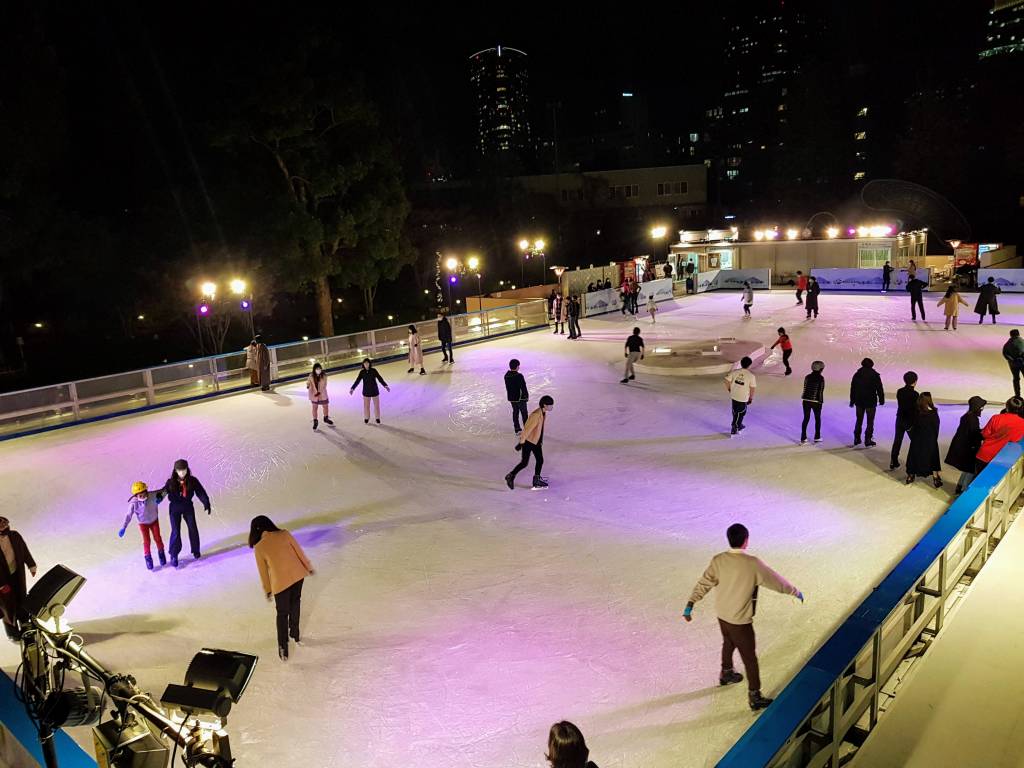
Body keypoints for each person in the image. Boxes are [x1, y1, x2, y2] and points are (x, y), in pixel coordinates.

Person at [684, 523, 803, 712]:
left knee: (728, 641)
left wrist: (691, 603)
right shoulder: (752, 563)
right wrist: (794, 591)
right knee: (749, 658)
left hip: (723, 615)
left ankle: (726, 672)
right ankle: (755, 695)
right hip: (740, 620)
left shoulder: (718, 560)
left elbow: (705, 582)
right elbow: (775, 580)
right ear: (746, 541)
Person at [249, 515, 314, 662]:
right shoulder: (284, 534)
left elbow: (263, 571)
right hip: (298, 575)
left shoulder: (259, 547)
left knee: (282, 614)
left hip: (281, 583)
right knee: (296, 603)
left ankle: (283, 647)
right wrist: (308, 567)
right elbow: (299, 552)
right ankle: (295, 634)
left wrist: (267, 589)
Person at [163, 459, 211, 569]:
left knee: (192, 528)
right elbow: (164, 491)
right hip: (175, 508)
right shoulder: (171, 482)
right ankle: (174, 554)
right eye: (179, 470)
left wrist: (206, 501)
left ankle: (195, 550)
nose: (182, 472)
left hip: (188, 506)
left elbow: (200, 491)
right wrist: (159, 496)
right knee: (175, 530)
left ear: (187, 469)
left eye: (184, 470)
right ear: (175, 471)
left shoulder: (192, 481)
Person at [505, 395, 554, 490]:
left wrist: (540, 440)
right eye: (550, 405)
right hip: (528, 442)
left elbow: (539, 429)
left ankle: (536, 480)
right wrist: (521, 442)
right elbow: (527, 429)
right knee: (524, 463)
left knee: (540, 460)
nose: (552, 407)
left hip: (536, 442)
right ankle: (510, 476)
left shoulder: (543, 413)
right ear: (545, 405)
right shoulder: (536, 415)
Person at [0, 517, 37, 641]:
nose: (3, 527)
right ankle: (12, 632)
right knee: (6, 605)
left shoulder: (15, 536)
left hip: (17, 573)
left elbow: (24, 550)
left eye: (4, 524)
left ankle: (25, 624)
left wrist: (31, 564)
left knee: (21, 597)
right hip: (2, 579)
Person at [119, 481, 166, 570]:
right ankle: (148, 558)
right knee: (146, 541)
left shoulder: (152, 495)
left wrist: (162, 496)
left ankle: (161, 553)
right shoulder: (134, 503)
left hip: (154, 521)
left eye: (144, 494)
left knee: (157, 538)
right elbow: (128, 515)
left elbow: (164, 491)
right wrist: (124, 527)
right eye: (140, 496)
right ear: (136, 496)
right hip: (143, 524)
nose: (143, 497)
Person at [945, 396, 987, 493]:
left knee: (967, 468)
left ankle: (959, 487)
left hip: (964, 446)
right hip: (969, 448)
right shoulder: (973, 419)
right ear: (977, 407)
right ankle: (964, 490)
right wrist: (984, 434)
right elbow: (974, 434)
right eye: (981, 407)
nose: (982, 409)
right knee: (970, 470)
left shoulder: (967, 416)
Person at [975, 397, 1024, 476]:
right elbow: (1015, 439)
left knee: (977, 480)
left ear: (1007, 407)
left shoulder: (996, 418)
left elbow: (985, 434)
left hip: (985, 455)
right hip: (1002, 458)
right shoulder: (1022, 423)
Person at [905, 392, 942, 487]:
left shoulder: (917, 412)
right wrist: (934, 438)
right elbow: (936, 427)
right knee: (933, 457)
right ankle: (935, 477)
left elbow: (912, 425)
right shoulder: (933, 413)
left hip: (917, 439)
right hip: (930, 439)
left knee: (914, 456)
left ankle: (911, 475)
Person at [849, 358, 885, 447]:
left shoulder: (857, 374)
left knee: (859, 420)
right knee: (870, 421)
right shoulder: (875, 375)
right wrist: (881, 399)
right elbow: (879, 388)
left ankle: (857, 438)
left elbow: (853, 388)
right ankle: (868, 439)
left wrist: (852, 400)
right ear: (872, 365)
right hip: (870, 401)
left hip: (859, 400)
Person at [890, 371, 920, 470]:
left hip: (899, 419)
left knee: (897, 440)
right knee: (916, 441)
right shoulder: (915, 394)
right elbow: (915, 409)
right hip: (909, 421)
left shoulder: (900, 391)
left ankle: (893, 460)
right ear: (915, 381)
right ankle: (916, 462)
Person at [350, 358, 390, 424]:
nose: (366, 364)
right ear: (363, 364)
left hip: (374, 391)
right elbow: (357, 381)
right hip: (366, 391)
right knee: (366, 406)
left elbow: (380, 378)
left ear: (369, 363)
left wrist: (385, 385)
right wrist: (352, 388)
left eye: (367, 363)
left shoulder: (374, 370)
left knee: (376, 406)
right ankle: (366, 418)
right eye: (365, 363)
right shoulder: (362, 372)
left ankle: (377, 418)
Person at [725, 356, 756, 436]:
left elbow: (726, 380)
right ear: (749, 365)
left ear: (741, 364)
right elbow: (752, 388)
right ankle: (735, 426)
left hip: (734, 395)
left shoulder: (735, 372)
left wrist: (729, 389)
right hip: (743, 398)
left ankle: (738, 424)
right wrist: (751, 398)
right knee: (741, 412)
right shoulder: (751, 376)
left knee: (735, 411)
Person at [800, 361, 825, 444]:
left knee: (806, 418)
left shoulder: (807, 377)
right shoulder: (821, 378)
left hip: (806, 400)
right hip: (816, 401)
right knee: (817, 419)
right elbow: (820, 391)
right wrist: (820, 401)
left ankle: (803, 437)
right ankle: (817, 436)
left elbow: (805, 388)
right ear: (820, 369)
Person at [504, 358, 529, 435]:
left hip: (512, 399)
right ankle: (527, 428)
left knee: (515, 412)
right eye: (519, 366)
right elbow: (523, 387)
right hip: (520, 398)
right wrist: (526, 396)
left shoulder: (506, 376)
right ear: (517, 366)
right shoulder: (519, 376)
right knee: (524, 413)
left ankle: (517, 429)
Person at [306, 362, 333, 431]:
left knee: (325, 406)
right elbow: (308, 381)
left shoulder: (324, 376)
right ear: (314, 369)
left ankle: (326, 418)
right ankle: (315, 421)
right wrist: (308, 385)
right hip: (314, 395)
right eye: (317, 369)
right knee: (314, 407)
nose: (318, 370)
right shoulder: (311, 375)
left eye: (319, 368)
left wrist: (319, 392)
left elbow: (324, 385)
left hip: (322, 394)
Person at [1002, 329, 1024, 398]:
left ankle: (1017, 395)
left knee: (1016, 379)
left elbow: (1005, 353)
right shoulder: (1022, 341)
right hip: (1022, 363)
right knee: (1016, 379)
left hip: (1013, 365)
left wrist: (1012, 360)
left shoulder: (1007, 343)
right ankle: (1017, 395)